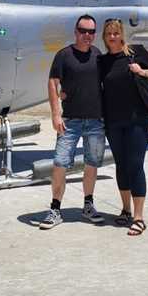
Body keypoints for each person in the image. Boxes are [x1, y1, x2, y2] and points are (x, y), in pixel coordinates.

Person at [40, 14, 106, 230]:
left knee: (92, 163)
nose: (87, 35)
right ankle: (55, 209)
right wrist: (56, 113)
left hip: (95, 120)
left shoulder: (98, 55)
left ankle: (88, 205)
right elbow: (53, 82)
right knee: (60, 163)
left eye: (91, 31)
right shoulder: (64, 55)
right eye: (83, 30)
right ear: (75, 32)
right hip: (70, 121)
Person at [99, 18, 148, 236]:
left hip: (138, 120)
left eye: (116, 33)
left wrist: (142, 72)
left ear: (122, 34)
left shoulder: (136, 52)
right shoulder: (103, 61)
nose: (112, 37)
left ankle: (139, 217)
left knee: (135, 165)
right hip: (114, 122)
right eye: (108, 34)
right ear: (104, 38)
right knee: (121, 165)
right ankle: (125, 210)